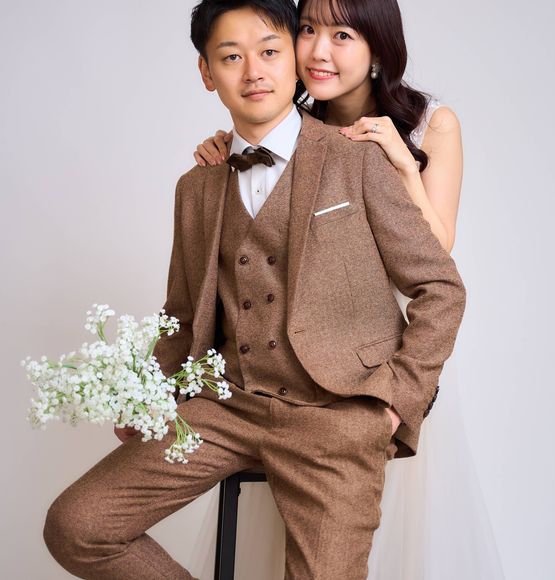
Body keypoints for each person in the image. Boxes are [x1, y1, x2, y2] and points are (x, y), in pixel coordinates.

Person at [42, 1, 466, 579]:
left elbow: (440, 285)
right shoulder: (196, 186)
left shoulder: (362, 160)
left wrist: (393, 404)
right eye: (231, 58)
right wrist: (147, 396)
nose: (253, 72)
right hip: (226, 407)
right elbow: (182, 314)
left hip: (336, 415)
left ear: (293, 60)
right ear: (206, 72)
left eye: (269, 52)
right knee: (77, 526)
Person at [191, 0, 505, 579]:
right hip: (296, 358)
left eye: (342, 35)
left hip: (391, 351)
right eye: (308, 30)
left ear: (378, 49)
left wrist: (401, 165)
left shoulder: (431, 124)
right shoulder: (292, 119)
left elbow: (438, 254)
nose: (318, 51)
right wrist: (225, 150)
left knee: (398, 534)